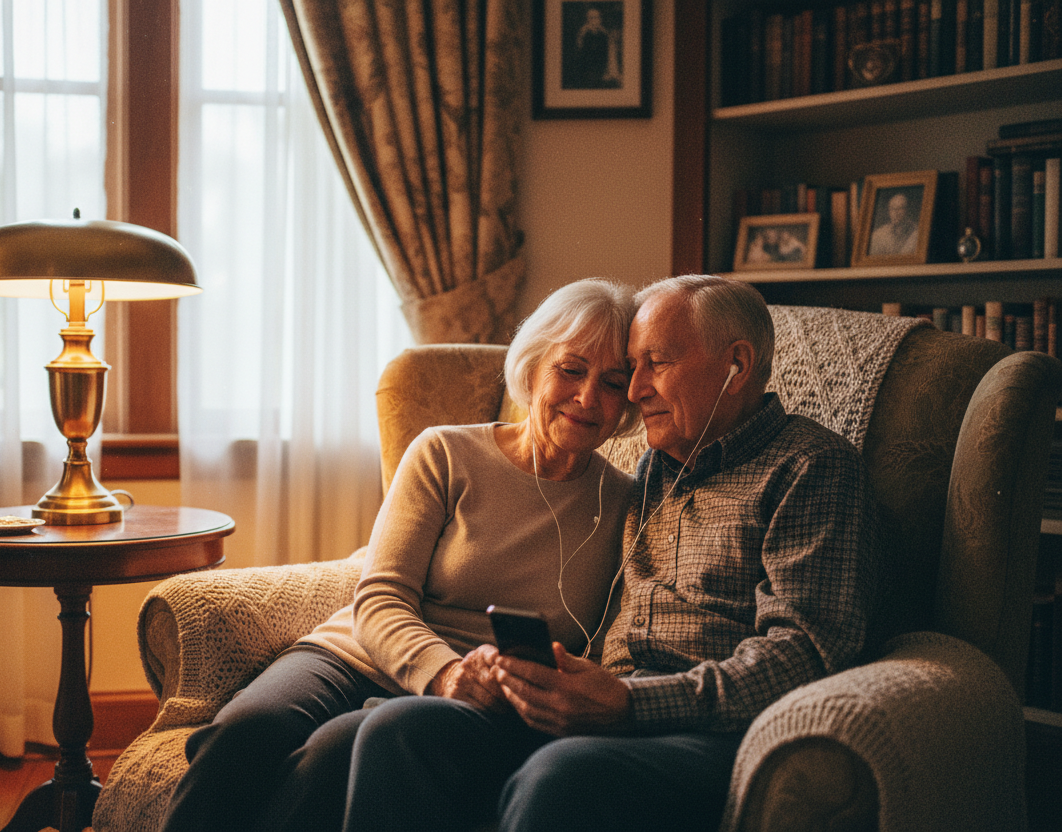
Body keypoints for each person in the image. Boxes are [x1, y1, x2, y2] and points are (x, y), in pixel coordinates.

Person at [341, 275, 881, 832]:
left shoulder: (810, 469)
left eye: (656, 364)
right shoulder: (655, 471)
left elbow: (807, 652)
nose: (635, 389)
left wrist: (628, 705)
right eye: (635, 368)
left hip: (701, 728)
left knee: (558, 777)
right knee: (402, 731)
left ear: (736, 366)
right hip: (598, 704)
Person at [158, 277, 641, 832]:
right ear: (534, 366)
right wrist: (445, 672)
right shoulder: (446, 452)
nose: (587, 398)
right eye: (571, 369)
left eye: (612, 382)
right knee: (244, 733)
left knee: (331, 758)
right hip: (357, 657)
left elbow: (604, 643)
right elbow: (381, 596)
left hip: (475, 704)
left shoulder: (626, 503)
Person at [868, 191, 918, 256]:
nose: (896, 212)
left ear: (907, 210)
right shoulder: (878, 235)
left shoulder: (917, 234)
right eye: (892, 209)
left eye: (900, 208)